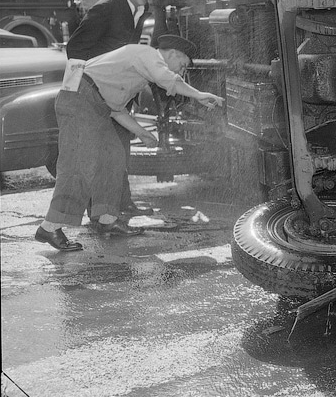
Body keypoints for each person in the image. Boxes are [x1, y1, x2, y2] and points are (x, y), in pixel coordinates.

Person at [35, 36, 224, 251]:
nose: (180, 72)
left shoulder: (139, 71)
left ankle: (106, 219)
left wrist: (142, 133)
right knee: (78, 165)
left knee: (114, 156)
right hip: (79, 100)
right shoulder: (146, 54)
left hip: (94, 105)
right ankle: (50, 226)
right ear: (173, 54)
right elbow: (168, 79)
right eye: (182, 66)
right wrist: (198, 95)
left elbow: (116, 109)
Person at [66, 0, 156, 218]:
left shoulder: (140, 10)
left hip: (119, 95)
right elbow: (75, 49)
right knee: (101, 153)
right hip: (96, 95)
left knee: (119, 150)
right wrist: (86, 86)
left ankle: (121, 203)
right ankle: (98, 212)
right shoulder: (105, 9)